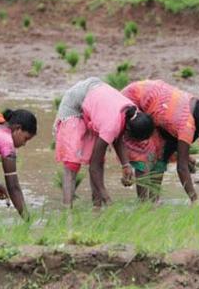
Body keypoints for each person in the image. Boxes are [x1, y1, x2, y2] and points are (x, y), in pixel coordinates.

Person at [122, 80, 199, 202]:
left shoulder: (191, 103)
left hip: (147, 98)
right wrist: (194, 199)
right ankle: (143, 204)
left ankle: (153, 201)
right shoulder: (186, 126)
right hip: (131, 103)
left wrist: (184, 155)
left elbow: (170, 134)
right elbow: (182, 168)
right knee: (144, 155)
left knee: (161, 155)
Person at [54, 77, 154, 207]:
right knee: (72, 164)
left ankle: (97, 207)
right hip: (75, 102)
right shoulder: (111, 125)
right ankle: (67, 212)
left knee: (99, 160)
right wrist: (108, 199)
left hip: (96, 98)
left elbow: (119, 135)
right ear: (129, 130)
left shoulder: (133, 113)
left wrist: (126, 165)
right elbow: (93, 168)